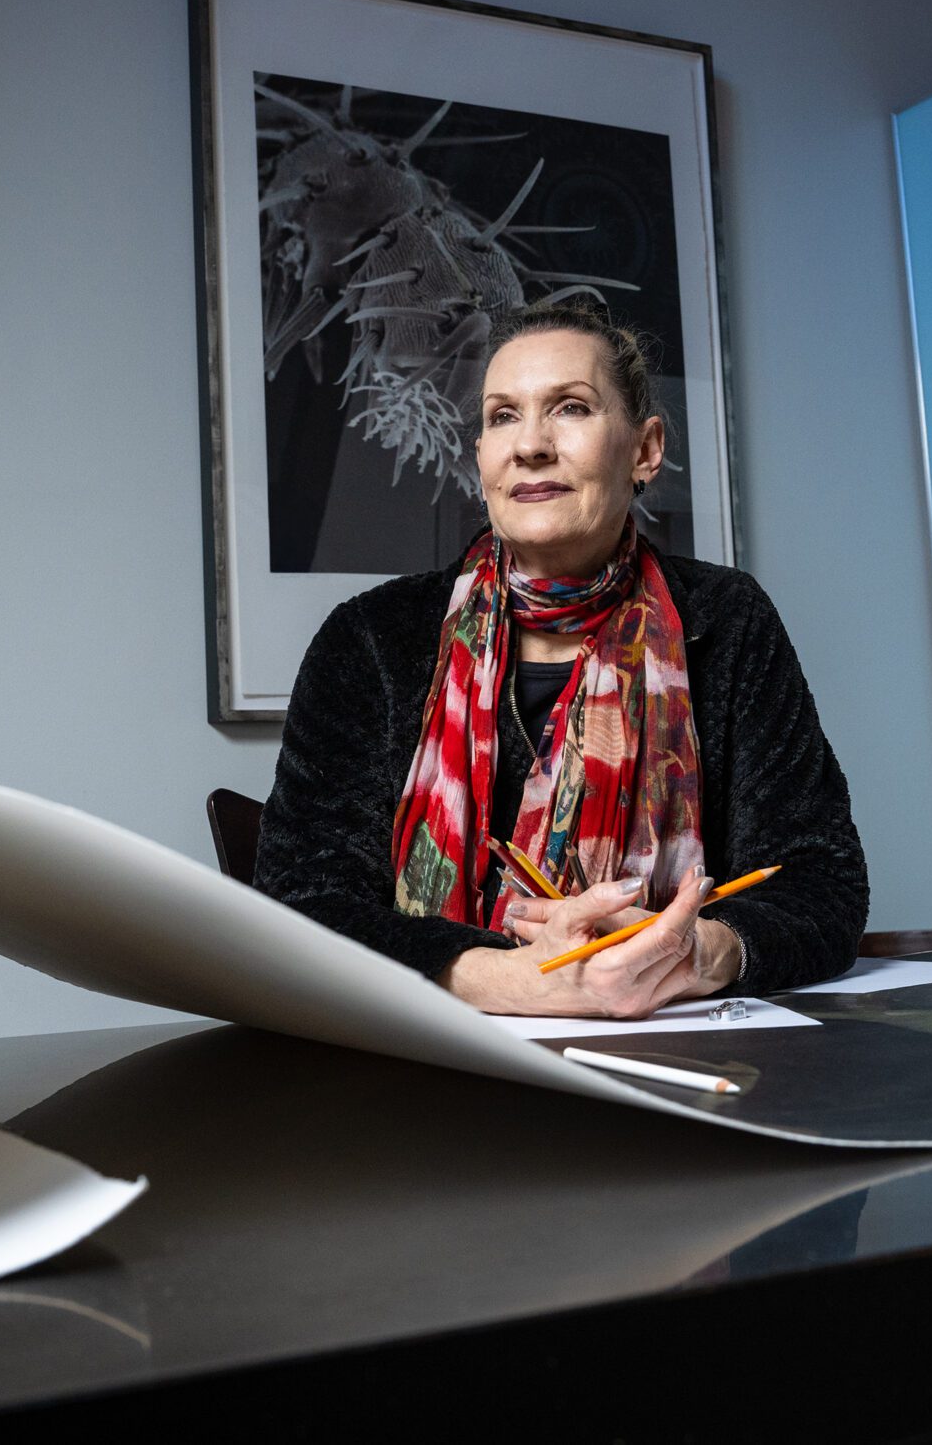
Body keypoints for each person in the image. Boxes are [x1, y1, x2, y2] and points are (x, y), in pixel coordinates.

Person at [254, 300, 867, 1018]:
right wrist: (514, 981)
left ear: (645, 449)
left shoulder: (727, 622)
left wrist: (698, 950)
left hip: (673, 1063)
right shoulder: (369, 638)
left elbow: (822, 880)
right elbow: (298, 905)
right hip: (425, 1069)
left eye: (570, 408)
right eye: (502, 416)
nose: (530, 445)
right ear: (480, 453)